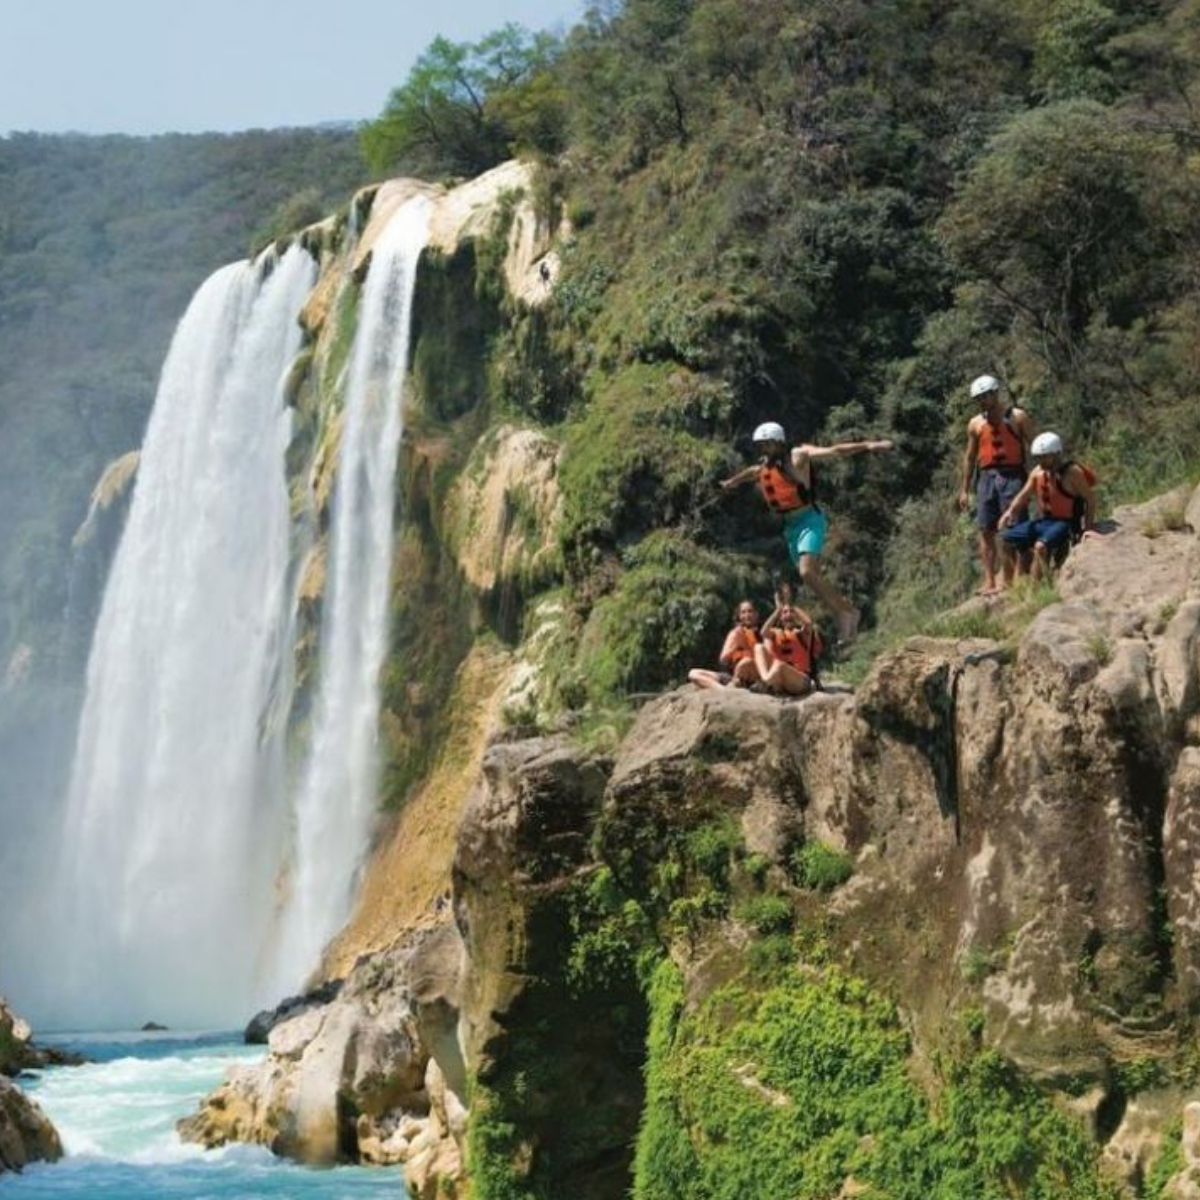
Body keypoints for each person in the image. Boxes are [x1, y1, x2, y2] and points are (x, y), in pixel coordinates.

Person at [720, 421, 894, 643]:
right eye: (760, 446)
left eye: (767, 445)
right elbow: (751, 473)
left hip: (809, 520)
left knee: (806, 572)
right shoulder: (765, 466)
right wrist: (732, 482)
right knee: (811, 578)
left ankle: (844, 614)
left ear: (778, 442)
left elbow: (835, 451)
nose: (763, 450)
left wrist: (869, 445)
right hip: (790, 526)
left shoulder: (798, 455)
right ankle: (848, 611)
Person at [957, 374, 1035, 596]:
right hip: (987, 478)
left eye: (986, 396)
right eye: (979, 398)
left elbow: (1035, 447)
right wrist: (964, 489)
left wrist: (1038, 478)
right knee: (986, 530)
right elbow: (970, 457)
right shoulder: (975, 424)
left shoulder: (1017, 417)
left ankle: (1015, 578)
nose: (983, 400)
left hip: (1013, 475)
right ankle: (990, 581)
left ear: (996, 393)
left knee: (1015, 528)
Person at [998, 432, 1099, 580]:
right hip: (1045, 521)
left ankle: (1034, 590)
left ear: (1057, 454)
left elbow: (1090, 500)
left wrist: (1088, 528)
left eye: (1045, 456)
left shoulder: (1072, 473)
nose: (1042, 461)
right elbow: (1023, 495)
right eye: (1039, 457)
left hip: (1066, 523)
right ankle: (1008, 585)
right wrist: (1010, 512)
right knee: (1005, 539)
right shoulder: (1038, 472)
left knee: (1040, 547)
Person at [752, 596, 824, 697]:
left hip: (800, 680)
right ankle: (765, 680)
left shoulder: (802, 634)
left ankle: (766, 683)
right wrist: (777, 610)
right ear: (780, 617)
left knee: (779, 665)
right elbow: (763, 632)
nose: (788, 614)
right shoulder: (775, 633)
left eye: (791, 612)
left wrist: (793, 605)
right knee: (758, 647)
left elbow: (808, 623)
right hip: (780, 678)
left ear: (795, 616)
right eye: (785, 612)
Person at [688, 600, 762, 690]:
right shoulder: (735, 633)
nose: (747, 615)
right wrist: (735, 646)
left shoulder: (762, 634)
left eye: (750, 611)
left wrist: (746, 645)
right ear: (739, 615)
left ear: (756, 614)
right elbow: (723, 660)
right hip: (731, 676)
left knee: (746, 662)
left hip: (751, 674)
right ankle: (724, 690)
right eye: (743, 612)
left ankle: (734, 686)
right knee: (693, 673)